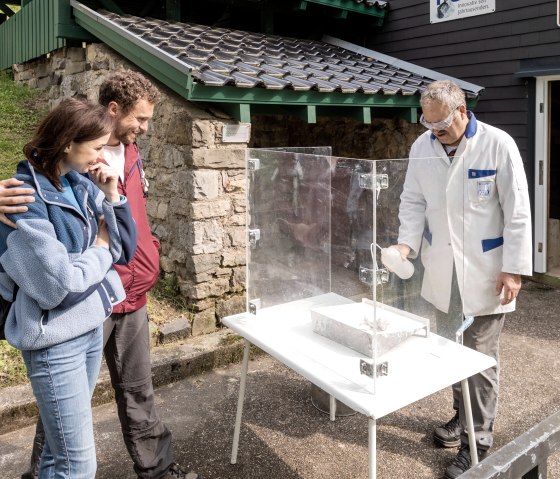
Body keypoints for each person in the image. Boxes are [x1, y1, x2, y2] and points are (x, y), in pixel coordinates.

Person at [0, 71, 200, 479]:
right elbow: (63, 272)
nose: (144, 128)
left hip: (124, 295)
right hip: (83, 305)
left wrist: (117, 209)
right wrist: (103, 248)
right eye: (139, 119)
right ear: (112, 112)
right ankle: (39, 473)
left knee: (138, 391)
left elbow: (126, 235)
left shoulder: (115, 162)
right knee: (64, 413)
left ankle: (158, 472)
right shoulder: (52, 179)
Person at [394, 80, 532, 478]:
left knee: (480, 359)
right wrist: (406, 245)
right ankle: (460, 417)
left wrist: (514, 267)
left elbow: (518, 210)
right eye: (428, 124)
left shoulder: (497, 144)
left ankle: (478, 446)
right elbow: (412, 200)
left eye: (441, 125)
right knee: (451, 351)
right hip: (443, 269)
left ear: (462, 111)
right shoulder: (422, 147)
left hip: (487, 272)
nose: (434, 132)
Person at [0, 98, 137, 478]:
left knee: (54, 458)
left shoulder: (80, 182)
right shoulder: (25, 196)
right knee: (77, 465)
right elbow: (57, 285)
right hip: (55, 340)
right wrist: (100, 248)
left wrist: (111, 195)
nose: (102, 156)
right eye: (96, 147)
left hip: (90, 325)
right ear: (66, 143)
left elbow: (125, 247)